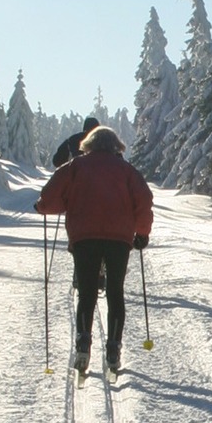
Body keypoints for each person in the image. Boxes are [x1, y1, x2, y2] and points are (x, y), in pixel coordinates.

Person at [35, 125, 153, 374]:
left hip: (84, 237)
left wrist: (43, 206)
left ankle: (83, 345)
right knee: (115, 292)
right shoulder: (127, 171)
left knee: (87, 291)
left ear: (88, 144)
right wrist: (142, 233)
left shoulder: (76, 166)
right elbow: (143, 200)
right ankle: (113, 348)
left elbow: (51, 194)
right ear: (116, 146)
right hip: (119, 239)